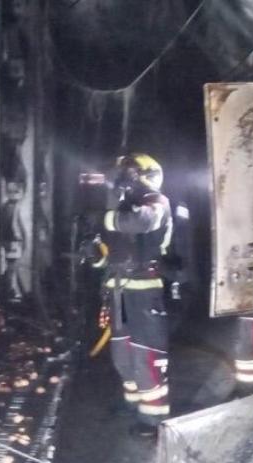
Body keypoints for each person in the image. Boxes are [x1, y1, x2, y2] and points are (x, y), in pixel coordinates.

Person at [81, 153, 173, 429]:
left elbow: (141, 222)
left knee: (146, 355)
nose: (122, 179)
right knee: (122, 356)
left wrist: (103, 218)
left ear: (146, 175)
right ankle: (133, 405)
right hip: (117, 291)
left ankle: (153, 419)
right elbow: (108, 257)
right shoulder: (119, 210)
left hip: (144, 292)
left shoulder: (157, 202)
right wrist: (93, 254)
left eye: (129, 173)